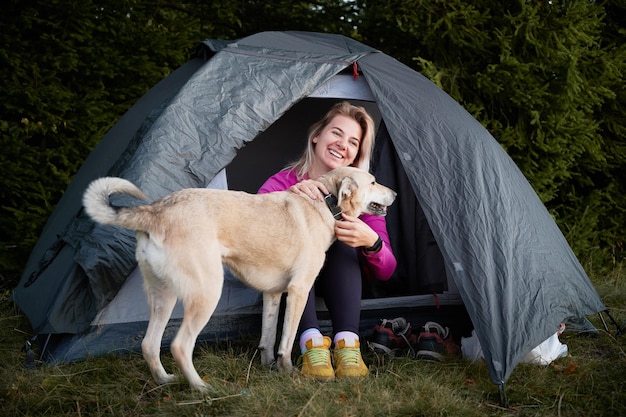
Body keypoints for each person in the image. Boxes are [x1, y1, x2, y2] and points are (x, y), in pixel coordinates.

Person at [258, 101, 397, 380]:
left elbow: (387, 270)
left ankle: (347, 346)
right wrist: (287, 201)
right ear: (316, 136)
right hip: (283, 275)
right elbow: (254, 237)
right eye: (336, 133)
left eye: (353, 142)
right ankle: (312, 346)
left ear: (357, 153)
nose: (342, 144)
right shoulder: (282, 183)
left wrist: (371, 242)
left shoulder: (361, 194)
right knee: (299, 246)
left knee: (345, 241)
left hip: (340, 279)